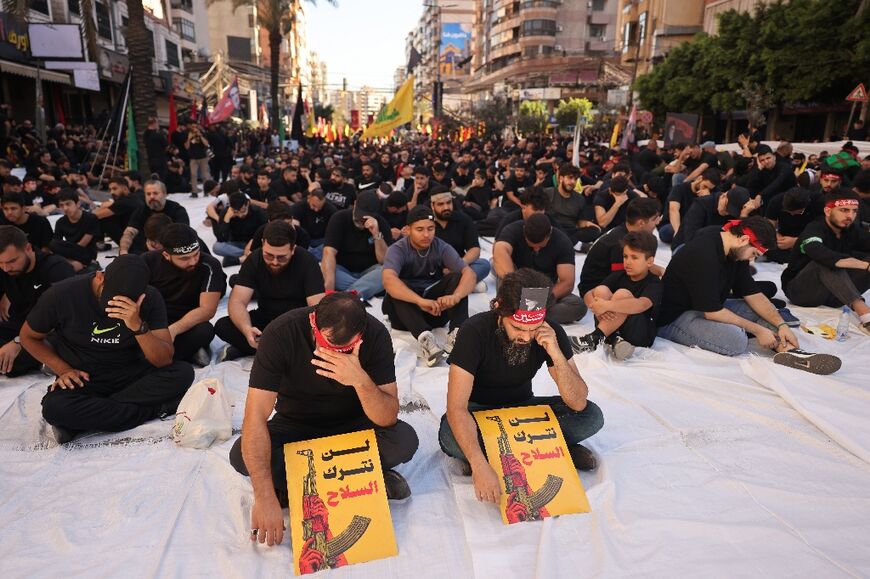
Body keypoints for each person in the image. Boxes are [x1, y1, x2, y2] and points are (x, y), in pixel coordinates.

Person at [229, 292, 419, 547]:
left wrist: (360, 381)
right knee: (241, 454)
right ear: (313, 323)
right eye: (327, 342)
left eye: (345, 347)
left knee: (404, 440)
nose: (334, 352)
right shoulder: (280, 334)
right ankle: (364, 476)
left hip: (354, 423)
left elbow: (387, 417)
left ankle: (295, 486)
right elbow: (255, 415)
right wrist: (263, 496)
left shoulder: (375, 334)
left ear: (360, 335)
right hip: (296, 423)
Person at [439, 268, 605, 498]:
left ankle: (502, 450)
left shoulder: (550, 331)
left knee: (591, 416)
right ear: (499, 309)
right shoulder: (474, 331)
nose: (526, 337)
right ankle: (551, 447)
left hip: (524, 409)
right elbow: (456, 407)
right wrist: (479, 465)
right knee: (449, 436)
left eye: (533, 329)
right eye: (517, 327)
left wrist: (555, 352)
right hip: (479, 412)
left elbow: (577, 402)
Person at [20, 254, 195, 443]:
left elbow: (163, 359)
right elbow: (28, 337)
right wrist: (63, 369)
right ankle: (156, 409)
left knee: (183, 373)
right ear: (99, 276)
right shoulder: (62, 294)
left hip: (131, 374)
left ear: (142, 292)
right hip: (85, 376)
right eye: (111, 297)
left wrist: (137, 326)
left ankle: (85, 421)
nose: (115, 306)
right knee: (54, 408)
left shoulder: (151, 298)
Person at [656, 217, 841, 374]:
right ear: (744, 239)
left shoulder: (734, 250)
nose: (751, 259)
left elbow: (753, 293)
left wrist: (781, 325)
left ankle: (790, 352)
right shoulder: (703, 254)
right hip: (676, 317)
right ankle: (776, 342)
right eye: (753, 253)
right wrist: (758, 330)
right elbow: (712, 312)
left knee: (767, 312)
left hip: (708, 306)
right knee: (736, 340)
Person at [215, 221, 325, 360]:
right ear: (262, 243)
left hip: (297, 322)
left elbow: (316, 307)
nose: (274, 262)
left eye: (281, 257)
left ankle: (262, 350)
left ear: (293, 248)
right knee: (223, 325)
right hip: (266, 319)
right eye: (269, 255)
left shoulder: (307, 261)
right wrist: (247, 329)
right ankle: (274, 350)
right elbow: (237, 301)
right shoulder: (254, 259)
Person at [382, 206, 476, 366]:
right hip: (403, 314)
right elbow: (387, 280)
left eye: (430, 229)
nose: (426, 235)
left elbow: (469, 273)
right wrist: (419, 301)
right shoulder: (398, 249)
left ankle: (456, 335)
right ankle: (426, 340)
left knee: (457, 277)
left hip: (434, 310)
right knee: (397, 286)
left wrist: (455, 296)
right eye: (419, 229)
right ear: (408, 229)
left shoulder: (441, 246)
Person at [781, 189, 870, 335]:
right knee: (825, 261)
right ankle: (866, 315)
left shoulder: (851, 230)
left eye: (854, 211)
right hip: (801, 291)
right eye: (844, 210)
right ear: (828, 211)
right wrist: (864, 266)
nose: (850, 216)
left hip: (835, 295)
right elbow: (818, 252)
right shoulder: (814, 228)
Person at [143, 224, 226, 366]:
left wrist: (173, 330)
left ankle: (160, 357)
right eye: (184, 258)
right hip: (154, 321)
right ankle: (184, 353)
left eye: (196, 254)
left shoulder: (209, 265)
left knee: (205, 331)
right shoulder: (147, 261)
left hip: (188, 323)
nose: (193, 261)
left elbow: (207, 310)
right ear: (166, 255)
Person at [572, 231, 662, 360]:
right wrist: (597, 304)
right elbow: (594, 294)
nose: (628, 262)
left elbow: (642, 304)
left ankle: (595, 338)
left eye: (634, 257)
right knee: (601, 290)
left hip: (640, 332)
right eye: (625, 256)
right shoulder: (619, 275)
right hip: (617, 326)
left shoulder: (654, 282)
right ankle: (614, 338)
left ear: (650, 261)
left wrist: (606, 305)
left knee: (622, 294)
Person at [0, 226, 74, 377]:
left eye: (12, 261)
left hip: (48, 332)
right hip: (18, 324)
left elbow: (64, 318)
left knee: (12, 364)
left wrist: (19, 341)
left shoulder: (56, 269)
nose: (6, 268)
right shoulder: (4, 269)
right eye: (0, 263)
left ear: (28, 248)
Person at [493, 213, 587, 324]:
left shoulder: (562, 241)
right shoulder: (513, 229)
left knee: (578, 306)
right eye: (532, 246)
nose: (536, 249)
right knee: (499, 268)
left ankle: (519, 314)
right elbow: (499, 250)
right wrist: (515, 285)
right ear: (524, 231)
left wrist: (539, 300)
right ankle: (526, 313)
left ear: (549, 234)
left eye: (541, 246)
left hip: (545, 291)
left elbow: (567, 282)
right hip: (516, 286)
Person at [578, 197, 663, 298]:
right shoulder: (620, 244)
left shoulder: (626, 230)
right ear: (641, 223)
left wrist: (661, 271)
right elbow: (623, 276)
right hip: (595, 289)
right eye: (654, 220)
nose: (657, 223)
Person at [321, 190, 393, 300]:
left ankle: (347, 298)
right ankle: (359, 292)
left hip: (369, 272)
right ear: (354, 204)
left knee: (386, 271)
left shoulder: (381, 223)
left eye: (366, 218)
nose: (361, 220)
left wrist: (376, 234)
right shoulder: (339, 218)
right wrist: (329, 290)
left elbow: (384, 261)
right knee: (324, 269)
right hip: (342, 271)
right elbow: (329, 252)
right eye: (360, 216)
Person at [430, 187, 491, 288]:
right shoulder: (426, 222)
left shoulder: (463, 219)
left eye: (449, 203)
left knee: (484, 264)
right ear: (432, 206)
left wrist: (457, 265)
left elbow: (474, 249)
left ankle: (454, 285)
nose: (446, 207)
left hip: (460, 266)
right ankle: (466, 284)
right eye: (440, 204)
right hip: (434, 269)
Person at [120, 180, 190, 255]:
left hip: (172, 250)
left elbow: (183, 234)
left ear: (164, 194)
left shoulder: (177, 210)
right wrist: (123, 251)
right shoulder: (141, 210)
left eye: (155, 193)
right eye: (148, 194)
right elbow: (129, 232)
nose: (152, 197)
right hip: (145, 251)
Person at [671, 186, 754, 249]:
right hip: (684, 246)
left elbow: (739, 242)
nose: (726, 212)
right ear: (723, 196)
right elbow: (690, 238)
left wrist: (743, 215)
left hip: (711, 249)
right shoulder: (701, 204)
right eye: (726, 206)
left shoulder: (737, 213)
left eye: (731, 211)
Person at [545, 163, 602, 248]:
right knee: (548, 218)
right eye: (570, 178)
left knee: (596, 231)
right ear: (561, 178)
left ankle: (569, 242)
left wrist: (587, 224)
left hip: (572, 231)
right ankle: (576, 244)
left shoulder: (579, 199)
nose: (573, 182)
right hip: (552, 229)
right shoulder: (548, 193)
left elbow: (580, 222)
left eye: (575, 179)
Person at [660, 168, 719, 244]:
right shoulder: (679, 188)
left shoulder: (711, 193)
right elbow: (674, 210)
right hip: (673, 224)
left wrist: (706, 199)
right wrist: (678, 232)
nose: (706, 190)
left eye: (710, 189)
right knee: (666, 232)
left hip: (692, 226)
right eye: (705, 186)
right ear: (699, 178)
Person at [762, 187, 820, 264]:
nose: (792, 215)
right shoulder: (776, 201)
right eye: (788, 212)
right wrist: (775, 235)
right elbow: (768, 225)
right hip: (784, 237)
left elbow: (822, 230)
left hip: (808, 237)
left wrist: (797, 241)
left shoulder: (818, 201)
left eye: (798, 212)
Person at [49, 189, 101, 271]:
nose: (65, 208)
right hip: (70, 252)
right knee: (52, 244)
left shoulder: (90, 218)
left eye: (68, 204)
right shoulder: (61, 222)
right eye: (61, 205)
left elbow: (82, 245)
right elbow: (56, 243)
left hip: (86, 253)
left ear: (78, 204)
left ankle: (89, 263)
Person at [212, 192, 267, 266]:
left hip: (255, 243)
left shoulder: (257, 211)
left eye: (243, 211)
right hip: (237, 244)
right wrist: (226, 220)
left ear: (247, 204)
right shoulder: (226, 213)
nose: (240, 215)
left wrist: (253, 240)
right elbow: (221, 238)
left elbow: (265, 229)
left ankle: (240, 259)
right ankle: (252, 256)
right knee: (217, 247)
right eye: (236, 212)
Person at [186, 125, 211, 193]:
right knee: (193, 174)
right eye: (193, 128)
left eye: (196, 128)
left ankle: (206, 190)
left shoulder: (202, 134)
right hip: (193, 158)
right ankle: (194, 191)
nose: (194, 130)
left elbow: (206, 144)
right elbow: (186, 147)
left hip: (203, 157)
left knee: (205, 175)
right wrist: (188, 138)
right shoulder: (189, 135)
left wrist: (200, 136)